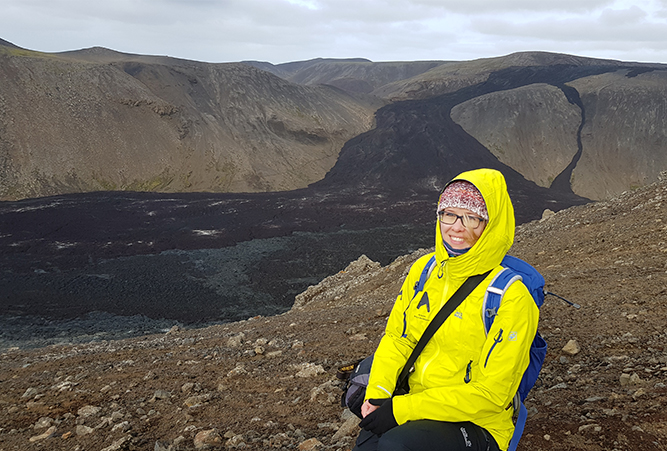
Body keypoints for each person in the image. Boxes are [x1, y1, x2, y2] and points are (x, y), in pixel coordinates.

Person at [353, 168, 539, 451]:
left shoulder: (511, 297)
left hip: (478, 421)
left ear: (491, 224)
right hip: (418, 401)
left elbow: (490, 395)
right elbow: (398, 338)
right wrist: (378, 395)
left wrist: (401, 410)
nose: (456, 227)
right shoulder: (424, 271)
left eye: (473, 217)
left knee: (396, 445)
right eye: (448, 214)